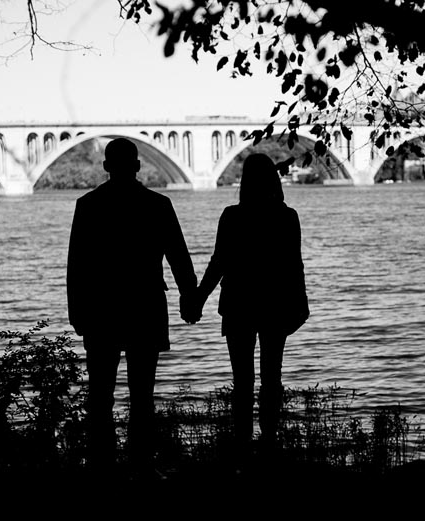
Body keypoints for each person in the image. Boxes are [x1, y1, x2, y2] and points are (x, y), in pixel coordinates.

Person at [66, 137, 200, 480]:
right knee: (142, 397)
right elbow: (179, 257)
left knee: (100, 397)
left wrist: (77, 313)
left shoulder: (88, 205)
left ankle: (103, 468)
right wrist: (189, 297)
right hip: (144, 308)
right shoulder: (158, 204)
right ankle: (141, 466)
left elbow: (76, 266)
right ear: (137, 166)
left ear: (107, 166)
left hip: (101, 311)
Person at [195, 153, 309, 463]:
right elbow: (293, 266)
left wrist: (198, 298)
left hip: (238, 305)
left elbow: (218, 262)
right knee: (272, 376)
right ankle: (270, 442)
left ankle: (242, 443)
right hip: (275, 305)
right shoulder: (287, 217)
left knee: (242, 380)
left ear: (245, 182)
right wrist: (302, 304)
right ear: (274, 180)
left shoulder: (232, 216)